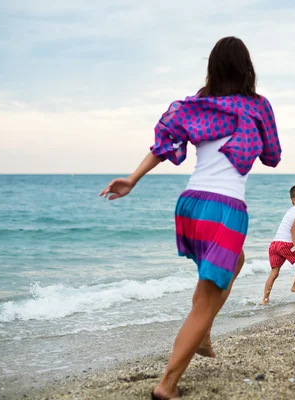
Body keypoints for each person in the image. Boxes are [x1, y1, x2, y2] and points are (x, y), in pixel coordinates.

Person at [99, 36, 281, 400]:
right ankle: (167, 384)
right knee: (204, 300)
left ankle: (205, 333)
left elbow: (163, 144)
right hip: (224, 209)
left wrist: (132, 179)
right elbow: (273, 156)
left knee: (236, 261)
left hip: (190, 206)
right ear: (247, 68)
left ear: (211, 68)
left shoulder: (197, 106)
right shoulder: (257, 106)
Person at [260, 184, 295, 305]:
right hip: (286, 245)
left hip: (274, 244)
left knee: (274, 273)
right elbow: (292, 230)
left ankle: (265, 299)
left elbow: (288, 228)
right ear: (293, 200)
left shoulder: (290, 211)